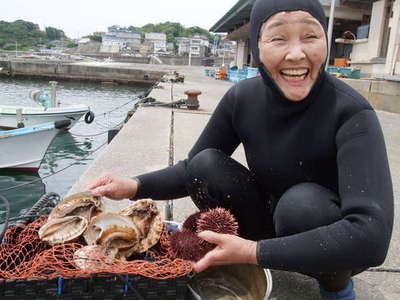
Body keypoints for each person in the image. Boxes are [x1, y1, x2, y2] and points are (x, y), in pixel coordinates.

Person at [88, 0, 394, 299]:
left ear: (325, 43)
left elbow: (371, 235)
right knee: (205, 165)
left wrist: (252, 251)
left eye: (310, 36)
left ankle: (337, 288)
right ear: (258, 46)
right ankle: (259, 255)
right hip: (268, 218)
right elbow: (191, 167)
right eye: (278, 38)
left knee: (301, 205)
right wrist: (133, 186)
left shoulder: (352, 113)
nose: (296, 53)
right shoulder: (242, 98)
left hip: (324, 229)